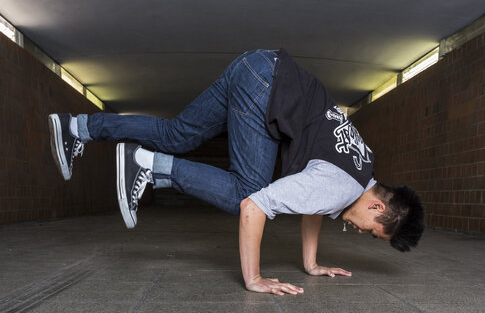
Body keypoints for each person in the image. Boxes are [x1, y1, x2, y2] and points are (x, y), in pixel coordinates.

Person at [48, 49, 425, 296]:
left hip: (257, 65)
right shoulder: (340, 187)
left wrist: (310, 265)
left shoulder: (363, 166)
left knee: (176, 133)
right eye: (371, 232)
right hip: (267, 88)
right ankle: (148, 165)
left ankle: (77, 126)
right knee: (246, 191)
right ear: (378, 209)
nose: (359, 232)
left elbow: (317, 204)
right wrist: (254, 278)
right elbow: (252, 207)